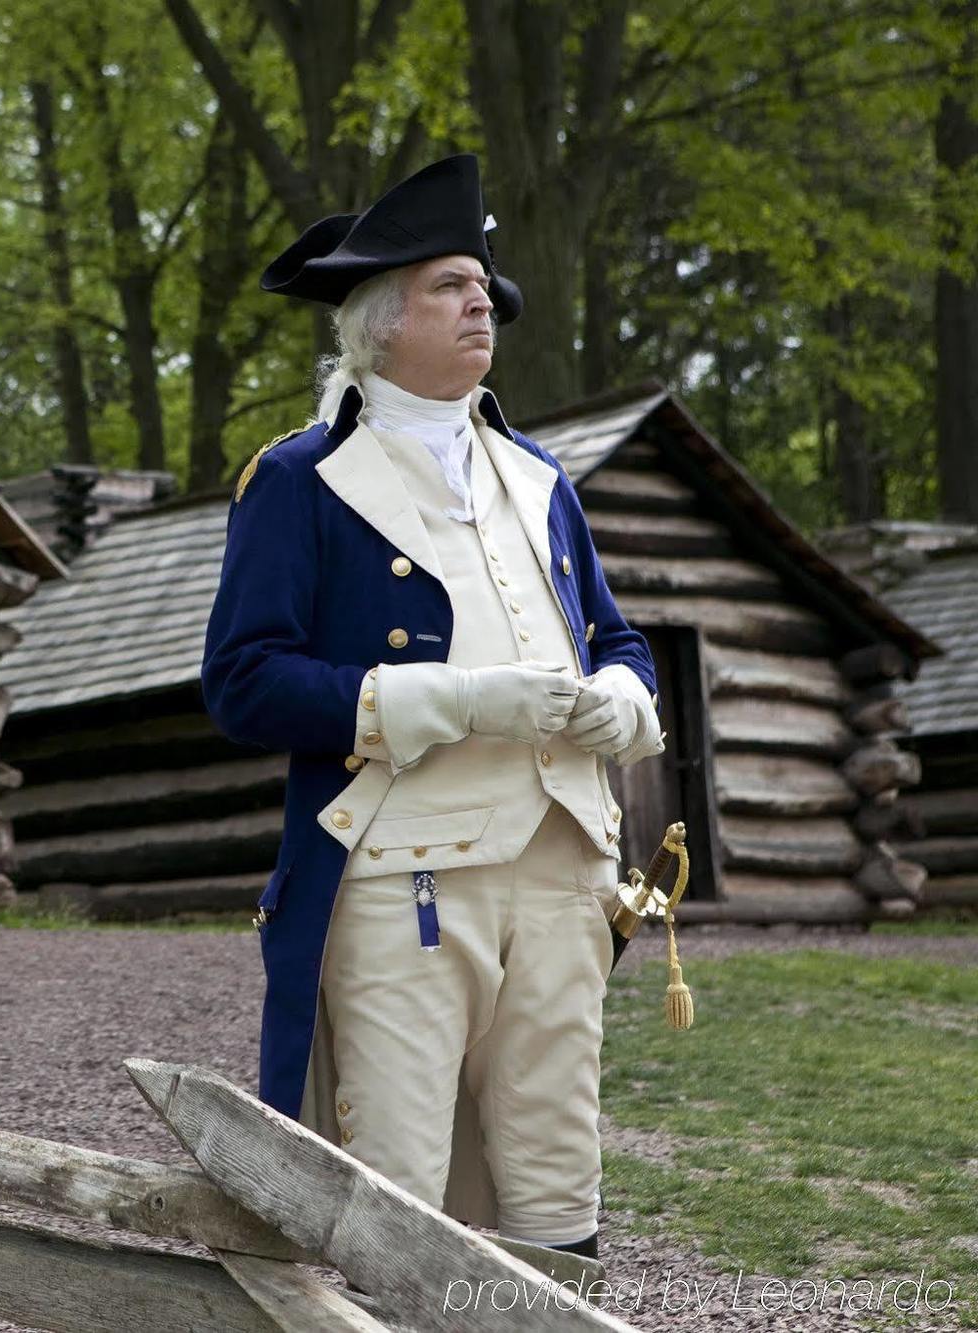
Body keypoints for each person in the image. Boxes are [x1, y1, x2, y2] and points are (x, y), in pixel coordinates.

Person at [200, 153, 667, 1261]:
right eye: (449, 285)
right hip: (399, 872)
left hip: (564, 864)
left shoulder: (540, 478)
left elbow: (617, 638)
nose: (479, 303)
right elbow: (243, 681)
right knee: (394, 1178)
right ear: (376, 323)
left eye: (481, 288)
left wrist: (621, 697)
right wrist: (455, 700)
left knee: (557, 1166)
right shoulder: (299, 481)